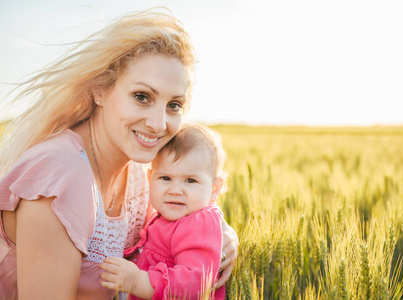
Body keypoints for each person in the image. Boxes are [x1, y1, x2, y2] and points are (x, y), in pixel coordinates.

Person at [0, 9, 238, 300]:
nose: (159, 123)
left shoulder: (138, 172)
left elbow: (178, 221)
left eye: (174, 105)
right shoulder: (61, 174)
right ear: (100, 90)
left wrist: (224, 235)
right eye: (142, 97)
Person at [98, 122, 227, 300]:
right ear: (150, 178)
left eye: (190, 181)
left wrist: (137, 281)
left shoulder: (199, 223)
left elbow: (195, 285)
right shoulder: (164, 216)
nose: (175, 190)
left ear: (214, 188)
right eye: (165, 178)